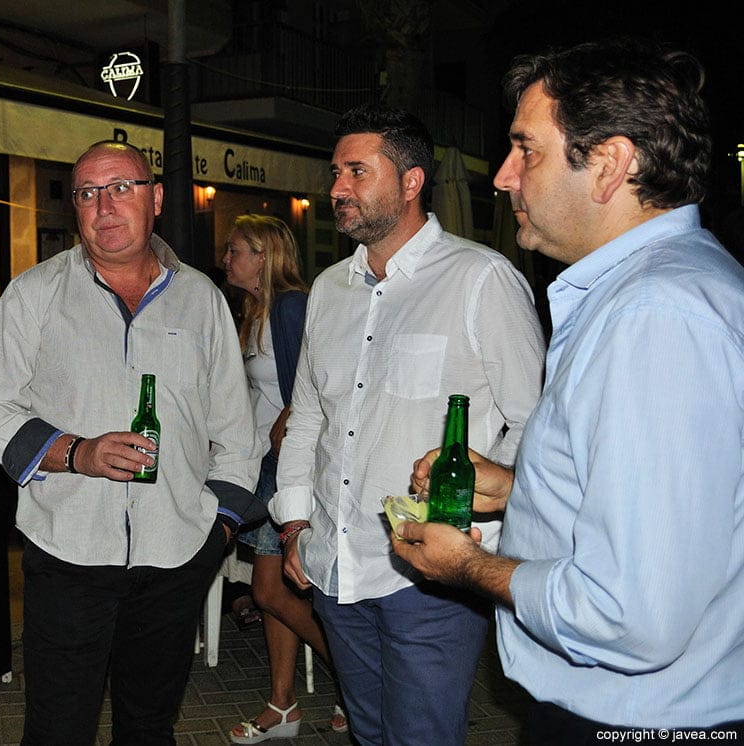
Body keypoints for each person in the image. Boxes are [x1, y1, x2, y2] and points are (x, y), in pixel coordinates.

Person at [394, 39, 744, 743]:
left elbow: (629, 611)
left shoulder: (654, 317)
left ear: (610, 164)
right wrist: (522, 487)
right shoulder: (653, 289)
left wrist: (470, 566)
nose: (502, 176)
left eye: (527, 150)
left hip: (636, 718)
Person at [0, 140, 264, 746]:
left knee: (149, 726)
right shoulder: (34, 293)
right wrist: (77, 452)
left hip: (176, 554)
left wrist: (219, 527)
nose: (104, 206)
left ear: (154, 200)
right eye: (88, 193)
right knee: (57, 728)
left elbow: (235, 429)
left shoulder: (202, 298)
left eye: (120, 188)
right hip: (69, 551)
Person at [269, 104, 545, 746]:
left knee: (421, 736)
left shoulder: (481, 279)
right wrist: (293, 524)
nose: (337, 188)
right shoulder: (331, 290)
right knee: (368, 731)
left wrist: (480, 518)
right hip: (334, 564)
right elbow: (307, 413)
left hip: (432, 575)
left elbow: (534, 422)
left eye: (357, 172)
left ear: (412, 181)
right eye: (336, 172)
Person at [220, 215, 347, 742]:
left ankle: (355, 679)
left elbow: (308, 396)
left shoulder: (292, 307)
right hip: (262, 469)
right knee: (271, 592)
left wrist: (277, 441)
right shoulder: (254, 312)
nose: (226, 259)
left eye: (234, 250)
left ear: (263, 255)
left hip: (286, 470)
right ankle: (282, 705)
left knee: (271, 590)